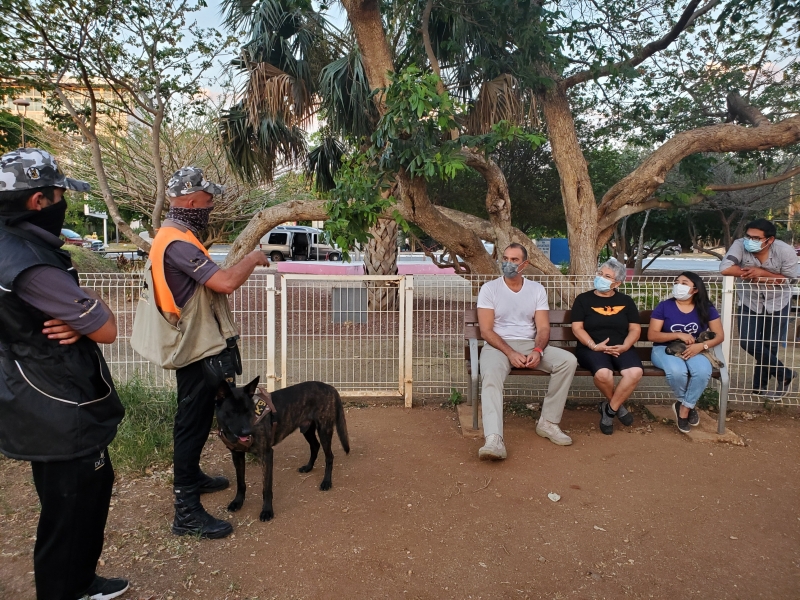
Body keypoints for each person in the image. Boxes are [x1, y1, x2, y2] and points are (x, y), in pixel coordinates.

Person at [0, 148, 128, 599]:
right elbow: (107, 328)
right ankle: (63, 590)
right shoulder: (30, 262)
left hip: (36, 395)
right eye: (58, 193)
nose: (61, 202)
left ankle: (80, 581)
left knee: (83, 496)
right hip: (57, 405)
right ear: (39, 200)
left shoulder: (10, 244)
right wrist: (91, 311)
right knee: (70, 507)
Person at [131, 167, 269, 539]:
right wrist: (253, 259)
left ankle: (193, 478)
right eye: (207, 201)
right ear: (191, 202)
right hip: (194, 351)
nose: (210, 207)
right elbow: (223, 282)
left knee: (197, 418)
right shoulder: (176, 242)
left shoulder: (175, 236)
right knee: (190, 425)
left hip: (199, 346)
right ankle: (186, 511)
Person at [476, 243, 578, 460]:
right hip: (498, 345)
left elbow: (543, 328)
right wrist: (510, 352)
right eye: (505, 258)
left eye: (514, 260)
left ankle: (548, 423)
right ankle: (494, 439)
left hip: (530, 344)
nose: (508, 264)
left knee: (567, 361)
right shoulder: (489, 289)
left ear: (525, 264)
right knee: (491, 375)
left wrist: (539, 349)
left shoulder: (536, 289)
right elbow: (486, 331)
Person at [720, 219, 797, 398]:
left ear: (769, 240)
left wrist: (762, 274)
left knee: (770, 346)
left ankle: (758, 388)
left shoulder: (785, 251)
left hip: (778, 302)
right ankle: (784, 374)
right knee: (748, 342)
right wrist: (755, 275)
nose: (750, 241)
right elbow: (725, 268)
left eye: (756, 238)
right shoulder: (739, 245)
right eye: (748, 236)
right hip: (750, 300)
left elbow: (791, 279)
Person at [571, 258, 643, 435]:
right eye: (600, 274)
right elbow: (577, 328)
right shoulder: (583, 299)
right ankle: (618, 407)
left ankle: (609, 409)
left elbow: (635, 328)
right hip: (591, 348)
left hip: (621, 347)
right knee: (604, 374)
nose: (601, 278)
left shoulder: (626, 301)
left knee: (635, 372)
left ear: (617, 283)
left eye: (607, 276)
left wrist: (626, 346)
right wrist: (593, 345)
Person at [649, 272, 724, 433]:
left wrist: (701, 346)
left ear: (695, 289)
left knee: (703, 371)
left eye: (684, 283)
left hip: (695, 349)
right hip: (665, 349)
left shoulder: (706, 308)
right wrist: (677, 335)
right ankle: (688, 404)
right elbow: (652, 335)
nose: (678, 286)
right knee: (677, 371)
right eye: (677, 282)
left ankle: (684, 408)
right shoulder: (664, 306)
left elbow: (719, 336)